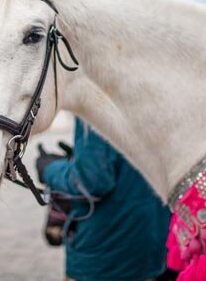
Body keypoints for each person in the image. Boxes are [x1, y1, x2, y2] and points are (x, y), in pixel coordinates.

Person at [36, 117, 174, 281]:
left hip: (105, 258)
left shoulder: (96, 99)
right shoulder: (159, 101)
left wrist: (49, 169)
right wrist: (79, 159)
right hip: (157, 248)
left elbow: (91, 183)